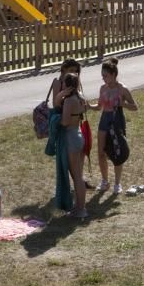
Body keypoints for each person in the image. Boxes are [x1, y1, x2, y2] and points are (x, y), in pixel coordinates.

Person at [94, 58, 138, 194]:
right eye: (102, 76)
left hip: (117, 121)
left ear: (113, 75)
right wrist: (89, 106)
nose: (103, 78)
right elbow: (99, 106)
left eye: (105, 76)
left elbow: (135, 107)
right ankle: (104, 181)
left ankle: (117, 184)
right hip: (104, 121)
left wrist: (122, 104)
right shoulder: (103, 88)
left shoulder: (122, 89)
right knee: (101, 152)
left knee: (117, 152)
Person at [61, 73, 89, 219]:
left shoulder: (69, 101)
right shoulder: (80, 97)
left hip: (71, 136)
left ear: (68, 85)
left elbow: (65, 122)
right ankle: (79, 207)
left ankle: (81, 209)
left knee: (77, 176)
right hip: (79, 134)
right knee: (78, 174)